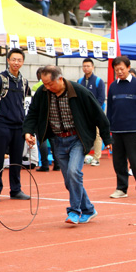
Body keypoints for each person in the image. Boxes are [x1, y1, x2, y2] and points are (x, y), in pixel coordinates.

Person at [23, 65, 112, 224]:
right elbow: (33, 113)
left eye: (50, 84)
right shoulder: (43, 94)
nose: (47, 87)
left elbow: (99, 115)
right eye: (44, 84)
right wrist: (28, 131)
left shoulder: (80, 92)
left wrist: (108, 139)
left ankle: (74, 212)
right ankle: (89, 209)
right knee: (69, 180)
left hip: (77, 139)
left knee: (73, 173)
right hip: (57, 140)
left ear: (60, 79)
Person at [0, 49, 31, 202]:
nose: (16, 63)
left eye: (19, 60)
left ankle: (16, 190)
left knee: (17, 159)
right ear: (8, 60)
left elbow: (27, 104)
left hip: (19, 126)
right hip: (2, 124)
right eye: (14, 59)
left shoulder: (24, 82)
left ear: (23, 62)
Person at [106, 56, 136, 199]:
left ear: (128, 67)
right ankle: (121, 189)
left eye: (122, 69)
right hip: (117, 131)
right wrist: (108, 129)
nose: (119, 72)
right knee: (118, 161)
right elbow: (110, 109)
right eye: (116, 69)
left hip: (134, 130)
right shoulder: (113, 86)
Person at [77, 58, 105, 166]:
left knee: (97, 135)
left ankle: (96, 157)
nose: (86, 68)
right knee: (83, 134)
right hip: (83, 114)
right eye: (84, 66)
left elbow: (101, 98)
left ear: (93, 67)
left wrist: (93, 110)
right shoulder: (80, 81)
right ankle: (85, 156)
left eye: (88, 66)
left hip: (96, 113)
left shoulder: (98, 81)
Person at [31, 67, 59, 172]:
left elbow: (34, 103)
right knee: (54, 141)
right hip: (53, 117)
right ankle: (57, 164)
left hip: (41, 118)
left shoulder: (36, 87)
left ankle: (45, 164)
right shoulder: (54, 85)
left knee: (42, 141)